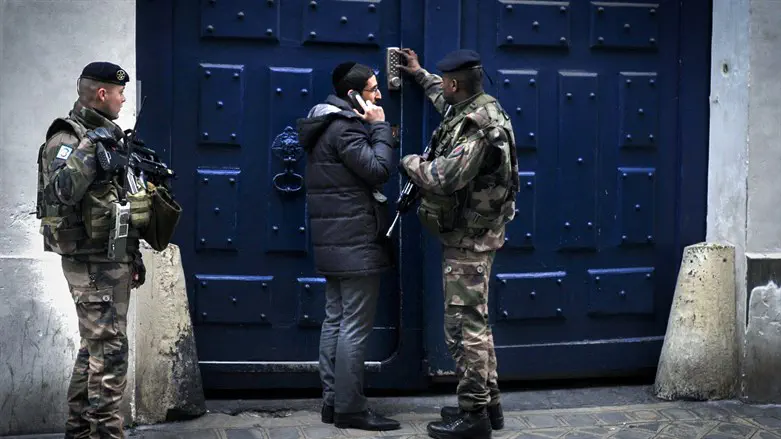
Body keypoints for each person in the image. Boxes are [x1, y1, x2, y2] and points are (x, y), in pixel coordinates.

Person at [397, 48, 520, 439]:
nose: (442, 88)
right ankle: (489, 403)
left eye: (444, 82)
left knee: (465, 327)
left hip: (471, 238)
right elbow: (443, 100)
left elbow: (444, 176)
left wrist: (409, 163)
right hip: (472, 233)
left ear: (456, 84)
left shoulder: (479, 127)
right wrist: (418, 74)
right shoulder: (475, 104)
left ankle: (473, 417)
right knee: (474, 321)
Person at [36, 61, 152, 438]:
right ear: (102, 93)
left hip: (110, 257)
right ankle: (105, 433)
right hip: (89, 262)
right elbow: (61, 193)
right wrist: (90, 149)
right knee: (110, 353)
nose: (122, 100)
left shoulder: (108, 135)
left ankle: (80, 432)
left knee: (94, 350)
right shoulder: (68, 137)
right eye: (119, 93)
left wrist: (131, 255)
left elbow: (117, 201)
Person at [296, 62, 401, 431]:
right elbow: (378, 171)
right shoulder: (345, 129)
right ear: (352, 94)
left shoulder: (326, 125)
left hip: (336, 241)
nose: (378, 95)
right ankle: (351, 408)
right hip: (355, 241)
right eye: (372, 89)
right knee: (353, 325)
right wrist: (379, 128)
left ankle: (332, 402)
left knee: (336, 320)